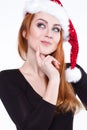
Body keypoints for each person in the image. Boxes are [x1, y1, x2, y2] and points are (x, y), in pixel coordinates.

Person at [0, 0, 87, 130]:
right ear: (25, 32)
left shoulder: (72, 73)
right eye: (41, 25)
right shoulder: (8, 79)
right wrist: (54, 80)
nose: (49, 34)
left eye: (56, 29)